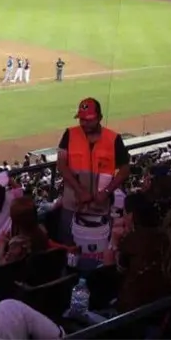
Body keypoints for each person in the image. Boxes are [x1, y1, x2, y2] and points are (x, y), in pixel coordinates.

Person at [56, 97, 131, 245]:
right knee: (68, 244)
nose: (84, 124)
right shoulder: (69, 134)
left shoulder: (113, 138)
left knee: (101, 246)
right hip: (73, 204)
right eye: (82, 120)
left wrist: (106, 192)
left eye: (89, 120)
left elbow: (125, 169)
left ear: (100, 117)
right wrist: (79, 191)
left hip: (101, 206)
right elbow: (61, 165)